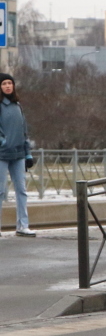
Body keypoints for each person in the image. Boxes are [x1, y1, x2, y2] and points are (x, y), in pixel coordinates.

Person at [0, 72, 35, 236]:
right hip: (1, 154)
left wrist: (27, 154)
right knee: (1, 191)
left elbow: (24, 131)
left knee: (21, 190)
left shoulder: (17, 105)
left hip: (18, 155)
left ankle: (22, 225)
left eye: (10, 83)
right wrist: (4, 142)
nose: (8, 86)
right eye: (4, 83)